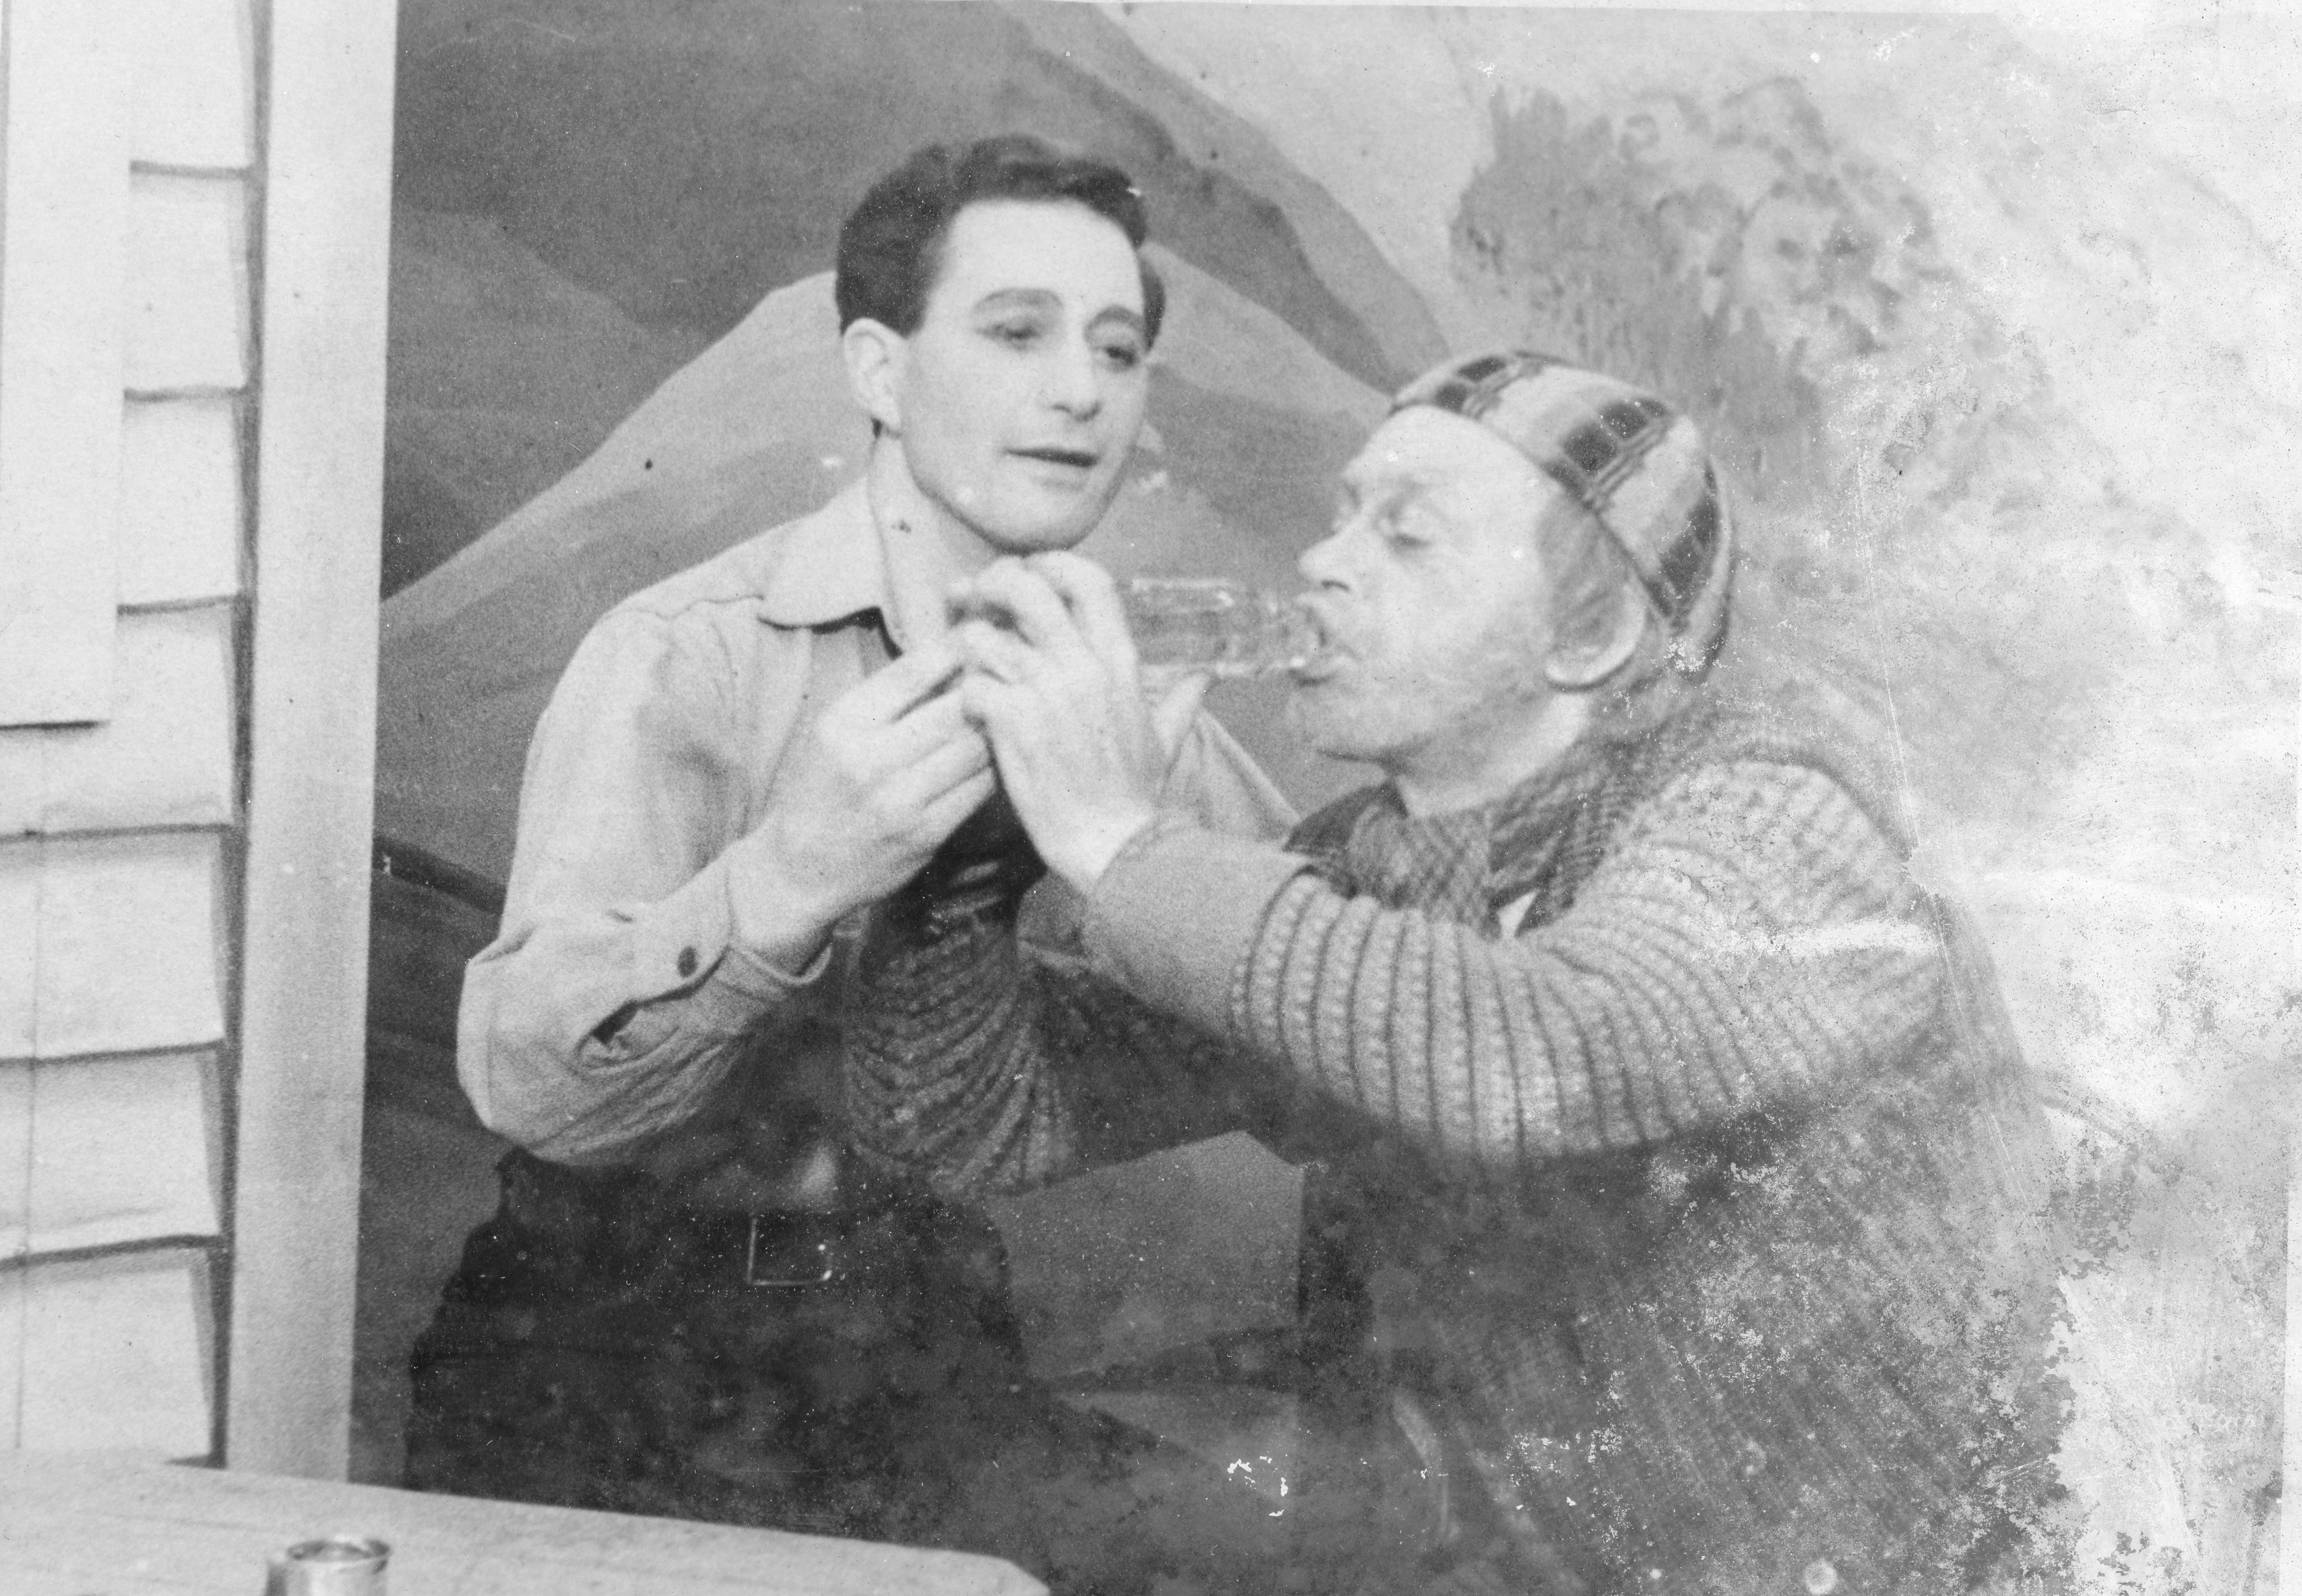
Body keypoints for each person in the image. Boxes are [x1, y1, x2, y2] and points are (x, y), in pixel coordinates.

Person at [846, 351, 2067, 1593]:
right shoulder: (1362, 868)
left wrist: (1115, 838)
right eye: (1342, 516)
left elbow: (1547, 1055)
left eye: (1408, 534)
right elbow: (978, 1136)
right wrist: (983, 857)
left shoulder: (1779, 808)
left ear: (1591, 631)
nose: (1323, 561)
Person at [407, 134, 1294, 1581]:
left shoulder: (1126, 695)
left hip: (910, 1338)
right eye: (1018, 332)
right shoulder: (686, 654)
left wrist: (1145, 856)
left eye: (1118, 348)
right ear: (879, 371)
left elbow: (1305, 1001)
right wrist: (795, 874)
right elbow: (530, 1086)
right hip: (601, 1358)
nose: (1083, 389)